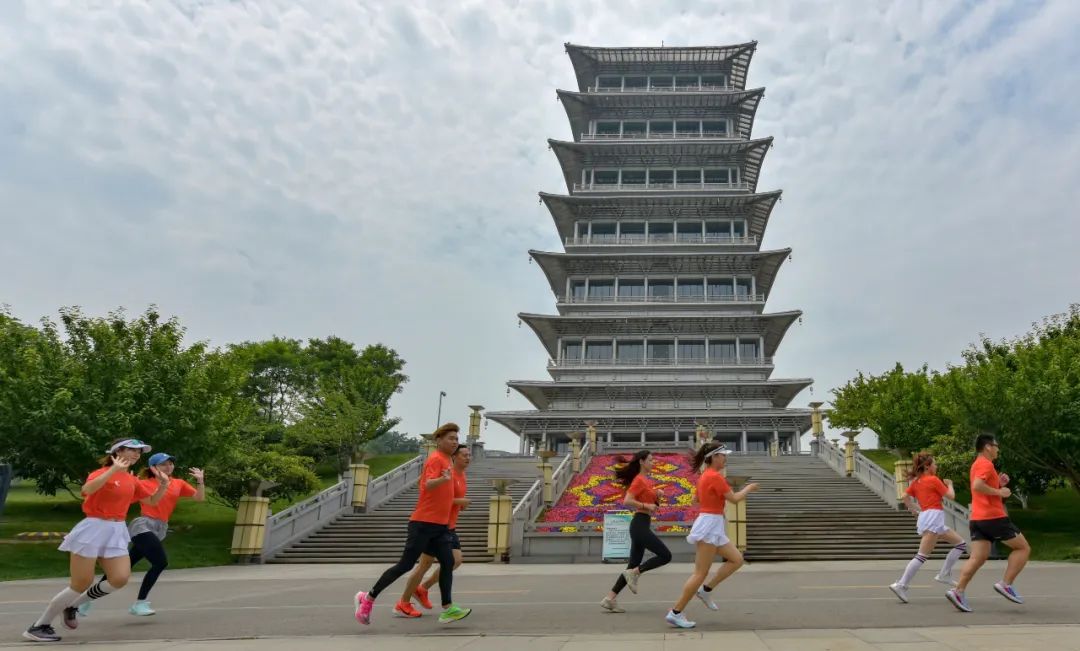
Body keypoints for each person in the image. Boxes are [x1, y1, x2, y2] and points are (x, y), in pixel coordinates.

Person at [23, 438, 168, 643]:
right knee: (80, 582)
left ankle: (73, 606)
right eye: (132, 450)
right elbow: (87, 490)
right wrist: (112, 471)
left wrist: (163, 485)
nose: (137, 454)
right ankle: (39, 626)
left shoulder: (132, 479)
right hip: (94, 527)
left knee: (119, 578)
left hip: (116, 529)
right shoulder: (100, 473)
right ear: (118, 451)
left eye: (139, 451)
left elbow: (152, 501)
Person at [353, 423, 471, 625]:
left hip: (441, 526)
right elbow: (427, 484)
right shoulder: (435, 459)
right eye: (451, 438)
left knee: (449, 562)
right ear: (439, 440)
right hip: (423, 523)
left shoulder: (448, 461)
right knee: (405, 565)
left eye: (456, 439)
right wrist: (442, 480)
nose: (454, 442)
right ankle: (368, 597)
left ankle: (448, 608)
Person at [78, 452, 205, 617]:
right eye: (163, 464)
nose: (169, 467)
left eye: (171, 463)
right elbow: (124, 495)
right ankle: (140, 603)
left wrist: (200, 481)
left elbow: (199, 498)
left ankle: (86, 599)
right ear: (153, 468)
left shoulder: (178, 483)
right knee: (160, 562)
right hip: (143, 525)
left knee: (124, 567)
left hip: (160, 528)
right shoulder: (143, 483)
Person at [665, 442, 758, 629]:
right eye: (723, 455)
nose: (725, 458)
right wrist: (749, 488)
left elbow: (695, 500)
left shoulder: (704, 476)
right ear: (714, 457)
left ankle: (706, 590)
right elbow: (734, 499)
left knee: (736, 559)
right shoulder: (714, 476)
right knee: (700, 573)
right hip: (710, 524)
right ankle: (676, 612)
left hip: (712, 522)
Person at [946, 433, 1031, 612]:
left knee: (978, 557)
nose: (998, 449)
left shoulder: (976, 464)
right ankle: (1006, 584)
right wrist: (1000, 492)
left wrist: (998, 484)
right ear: (988, 447)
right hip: (993, 517)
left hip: (977, 518)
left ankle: (958, 591)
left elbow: (980, 488)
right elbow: (977, 486)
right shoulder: (986, 463)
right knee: (1023, 548)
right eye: (996, 445)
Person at [396, 445, 472, 617]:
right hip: (436, 525)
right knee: (429, 564)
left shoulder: (462, 475)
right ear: (454, 457)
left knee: (451, 561)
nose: (468, 458)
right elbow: (438, 496)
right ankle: (406, 600)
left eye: (469, 455)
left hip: (448, 525)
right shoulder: (448, 472)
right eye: (464, 455)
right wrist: (459, 501)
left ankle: (420, 591)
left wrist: (459, 504)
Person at [888, 451, 968, 603]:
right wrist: (950, 485)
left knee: (961, 544)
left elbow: (905, 496)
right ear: (927, 466)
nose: (936, 466)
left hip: (929, 516)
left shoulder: (917, 482)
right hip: (933, 517)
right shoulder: (933, 479)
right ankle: (901, 584)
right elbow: (951, 496)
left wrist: (913, 510)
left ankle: (944, 574)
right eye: (935, 463)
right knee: (922, 555)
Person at [600, 450, 673, 613]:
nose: (652, 463)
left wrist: (657, 495)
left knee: (632, 564)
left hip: (642, 524)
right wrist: (647, 506)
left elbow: (652, 505)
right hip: (639, 524)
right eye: (650, 460)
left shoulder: (646, 481)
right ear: (641, 462)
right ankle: (636, 573)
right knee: (665, 556)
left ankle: (609, 598)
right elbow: (627, 500)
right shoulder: (639, 480)